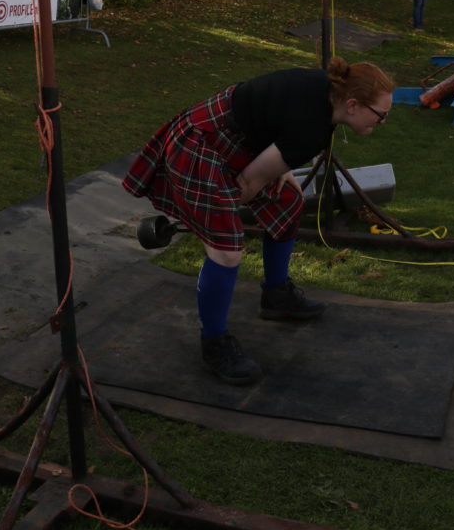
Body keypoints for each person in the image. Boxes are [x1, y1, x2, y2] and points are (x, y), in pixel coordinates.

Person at [123, 57, 394, 385]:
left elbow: (277, 118)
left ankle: (277, 296)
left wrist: (282, 167)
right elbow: (247, 185)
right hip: (201, 144)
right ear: (352, 105)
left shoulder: (327, 88)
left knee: (288, 200)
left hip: (233, 137)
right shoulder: (313, 130)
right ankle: (214, 343)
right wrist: (216, 214)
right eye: (381, 115)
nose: (383, 122)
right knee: (226, 251)